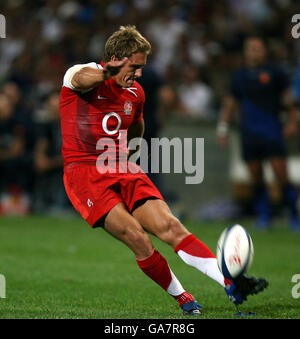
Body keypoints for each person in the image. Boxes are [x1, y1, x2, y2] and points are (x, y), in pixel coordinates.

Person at [60, 25, 268, 315]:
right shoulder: (80, 75)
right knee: (137, 236)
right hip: (84, 174)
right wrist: (112, 72)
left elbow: (137, 124)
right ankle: (183, 297)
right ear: (117, 59)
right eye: (135, 66)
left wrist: (131, 154)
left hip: (121, 166)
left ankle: (230, 283)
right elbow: (80, 79)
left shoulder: (136, 92)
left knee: (170, 226)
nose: (140, 73)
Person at [217, 36, 299, 231]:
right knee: (256, 177)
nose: (254, 51)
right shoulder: (240, 76)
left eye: (257, 47)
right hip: (249, 133)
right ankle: (264, 217)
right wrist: (223, 127)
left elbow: (288, 101)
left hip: (272, 132)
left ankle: (294, 216)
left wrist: (294, 122)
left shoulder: (275, 73)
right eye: (250, 48)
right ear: (245, 52)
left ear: (264, 51)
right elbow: (231, 103)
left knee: (282, 176)